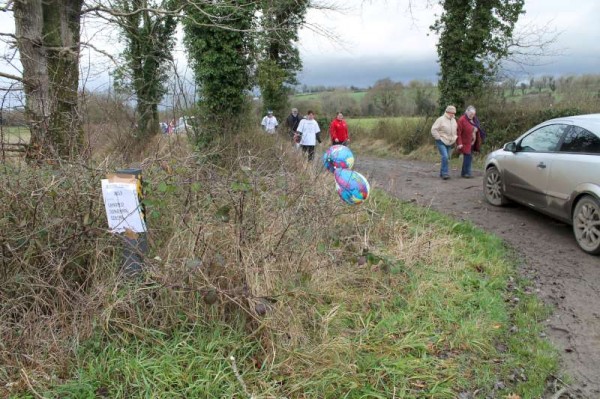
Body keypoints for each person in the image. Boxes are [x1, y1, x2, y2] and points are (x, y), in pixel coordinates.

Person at [456, 105, 485, 178]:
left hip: (473, 142)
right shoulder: (462, 120)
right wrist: (459, 143)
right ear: (467, 112)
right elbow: (458, 132)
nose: (472, 115)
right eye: (471, 114)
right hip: (465, 142)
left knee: (469, 157)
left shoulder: (475, 119)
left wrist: (476, 130)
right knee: (468, 156)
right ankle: (467, 173)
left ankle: (464, 173)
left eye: (473, 114)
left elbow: (477, 127)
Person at [431, 105, 458, 180]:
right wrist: (438, 138)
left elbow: (455, 130)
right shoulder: (440, 119)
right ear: (447, 112)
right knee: (445, 156)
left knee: (447, 158)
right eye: (451, 112)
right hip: (441, 141)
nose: (453, 114)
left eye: (454, 113)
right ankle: (445, 173)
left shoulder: (454, 120)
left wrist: (454, 138)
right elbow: (433, 129)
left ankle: (442, 172)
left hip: (449, 142)